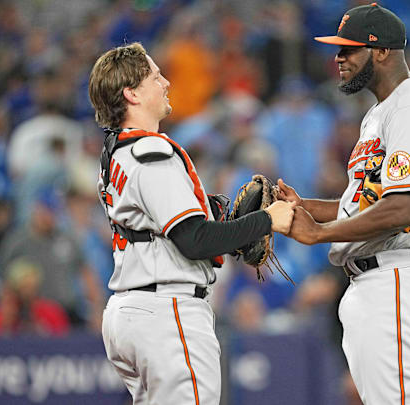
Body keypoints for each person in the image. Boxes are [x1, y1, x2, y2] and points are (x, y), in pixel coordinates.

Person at [88, 42, 294, 404]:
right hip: (167, 312)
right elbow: (194, 240)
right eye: (155, 76)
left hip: (136, 308)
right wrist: (265, 221)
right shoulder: (151, 153)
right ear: (131, 93)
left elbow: (173, 233)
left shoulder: (117, 152)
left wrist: (226, 226)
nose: (166, 82)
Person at [279, 4, 410, 404]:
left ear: (381, 52)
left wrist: (320, 233)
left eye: (349, 50)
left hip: (398, 277)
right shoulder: (380, 112)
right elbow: (362, 204)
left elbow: (403, 208)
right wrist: (302, 207)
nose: (338, 59)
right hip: (380, 280)